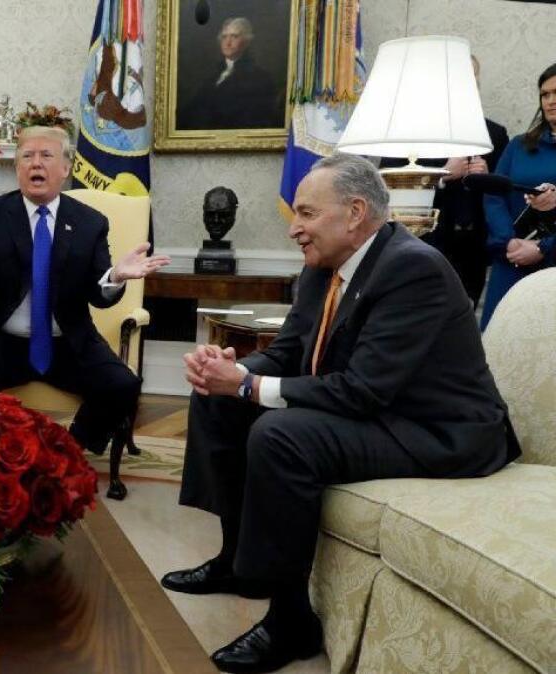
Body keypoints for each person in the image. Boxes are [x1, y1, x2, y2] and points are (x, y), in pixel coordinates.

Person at [164, 153, 519, 673]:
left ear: (354, 212)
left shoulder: (413, 269)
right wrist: (229, 370)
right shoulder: (324, 268)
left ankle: (289, 623)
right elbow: (287, 353)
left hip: (438, 431)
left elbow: (361, 391)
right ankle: (234, 560)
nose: (293, 229)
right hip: (380, 411)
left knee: (282, 434)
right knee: (218, 400)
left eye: (306, 214)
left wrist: (248, 387)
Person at [0, 126, 170, 454]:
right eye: (27, 156)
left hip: (68, 342)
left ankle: (70, 451)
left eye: (46, 155)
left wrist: (116, 277)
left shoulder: (90, 222)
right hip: (1, 341)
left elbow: (99, 294)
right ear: (17, 168)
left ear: (66, 169)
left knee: (123, 384)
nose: (36, 164)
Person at [381, 55, 509, 309]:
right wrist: (442, 174)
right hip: (425, 243)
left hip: (473, 249)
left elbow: (503, 190)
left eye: (473, 79)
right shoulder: (411, 131)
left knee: (462, 322)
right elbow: (387, 183)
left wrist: (486, 177)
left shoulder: (493, 133)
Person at [480, 62, 556, 328]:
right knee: (497, 343)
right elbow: (494, 195)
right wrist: (508, 241)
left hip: (552, 268)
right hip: (511, 260)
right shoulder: (519, 146)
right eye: (545, 94)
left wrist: (542, 248)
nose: (550, 101)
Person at [180, 17, 283, 130]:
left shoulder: (260, 78)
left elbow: (256, 120)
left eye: (234, 36)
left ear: (246, 41)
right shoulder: (211, 78)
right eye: (224, 37)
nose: (228, 42)